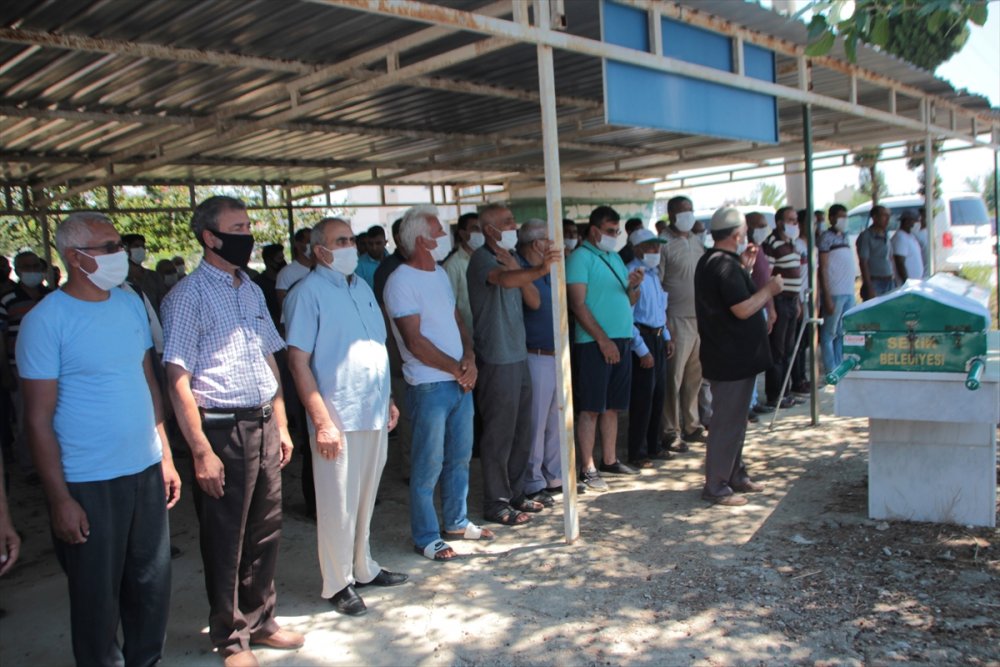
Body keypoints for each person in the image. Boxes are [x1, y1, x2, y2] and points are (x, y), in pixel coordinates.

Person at [18, 212, 181, 665]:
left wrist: (165, 455)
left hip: (144, 470)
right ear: (74, 257)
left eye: (118, 246)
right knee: (96, 599)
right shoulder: (46, 321)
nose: (121, 255)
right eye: (108, 248)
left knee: (151, 586)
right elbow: (37, 418)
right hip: (89, 480)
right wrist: (59, 499)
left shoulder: (128, 303)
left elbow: (148, 381)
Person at [162, 196, 304, 667]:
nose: (248, 233)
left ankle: (262, 620)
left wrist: (281, 421)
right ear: (211, 237)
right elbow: (177, 379)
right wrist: (200, 450)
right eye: (238, 226)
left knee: (266, 530)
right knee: (227, 537)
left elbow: (269, 357)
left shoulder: (251, 289)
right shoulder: (186, 296)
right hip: (222, 428)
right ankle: (230, 637)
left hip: (263, 421)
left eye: (249, 224)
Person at [285, 217, 407, 618]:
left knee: (365, 498)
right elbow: (298, 362)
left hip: (372, 411)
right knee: (338, 504)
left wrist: (388, 397)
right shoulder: (307, 294)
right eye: (342, 241)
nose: (351, 246)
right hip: (337, 416)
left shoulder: (363, 288)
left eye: (352, 239)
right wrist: (321, 421)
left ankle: (363, 567)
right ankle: (338, 583)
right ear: (320, 251)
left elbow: (375, 348)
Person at [383, 205, 492, 561]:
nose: (445, 237)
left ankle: (457, 521)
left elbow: (457, 319)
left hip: (458, 381)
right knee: (428, 463)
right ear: (421, 240)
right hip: (429, 385)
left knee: (459, 458)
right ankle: (426, 535)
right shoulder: (400, 280)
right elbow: (414, 342)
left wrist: (470, 359)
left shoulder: (440, 275)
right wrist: (458, 369)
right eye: (438, 231)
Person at [468, 205, 561, 524]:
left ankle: (517, 492)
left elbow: (529, 296)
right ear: (490, 229)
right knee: (499, 433)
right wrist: (540, 270)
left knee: (522, 430)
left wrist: (529, 270)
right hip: (497, 356)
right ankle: (495, 501)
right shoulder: (482, 259)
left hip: (517, 354)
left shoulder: (512, 257)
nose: (513, 225)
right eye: (507, 222)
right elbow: (503, 281)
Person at [695, 207, 781, 506]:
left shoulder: (717, 262)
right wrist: (769, 289)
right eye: (744, 232)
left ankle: (734, 474)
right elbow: (742, 308)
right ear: (736, 234)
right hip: (730, 359)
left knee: (736, 421)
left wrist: (745, 268)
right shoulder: (723, 265)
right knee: (727, 423)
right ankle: (716, 485)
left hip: (733, 357)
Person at [566, 206, 643, 491]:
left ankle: (609, 459)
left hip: (620, 340)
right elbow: (577, 304)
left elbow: (629, 302)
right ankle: (587, 466)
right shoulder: (579, 259)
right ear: (595, 230)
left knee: (612, 407)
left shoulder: (613, 258)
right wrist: (602, 339)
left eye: (617, 231)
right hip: (593, 344)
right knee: (591, 408)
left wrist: (634, 287)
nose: (616, 236)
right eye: (611, 231)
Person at [515, 220, 563, 500]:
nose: (553, 245)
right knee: (535, 423)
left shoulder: (549, 269)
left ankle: (554, 476)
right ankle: (533, 482)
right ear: (537, 244)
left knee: (556, 419)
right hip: (536, 355)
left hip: (556, 354)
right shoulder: (521, 268)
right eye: (548, 239)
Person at [658, 196, 708, 451]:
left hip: (698, 317)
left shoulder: (696, 241)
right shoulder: (663, 244)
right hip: (675, 319)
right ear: (671, 214)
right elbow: (658, 283)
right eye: (682, 211)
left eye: (690, 210)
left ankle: (692, 425)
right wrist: (665, 325)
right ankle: (670, 430)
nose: (688, 215)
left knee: (694, 377)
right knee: (673, 378)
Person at [624, 229, 674, 468]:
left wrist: (666, 335)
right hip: (641, 337)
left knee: (658, 394)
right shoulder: (631, 274)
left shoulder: (654, 274)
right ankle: (638, 451)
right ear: (637, 249)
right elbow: (628, 316)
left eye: (657, 247)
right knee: (642, 398)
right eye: (650, 247)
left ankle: (654, 445)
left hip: (657, 336)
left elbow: (659, 311)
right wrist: (641, 349)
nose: (655, 251)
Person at [1, 251, 51, 477]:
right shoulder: (7, 300)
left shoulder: (52, 296)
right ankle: (30, 466)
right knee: (26, 418)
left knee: (54, 418)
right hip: (21, 369)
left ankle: (54, 463)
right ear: (18, 271)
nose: (32, 271)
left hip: (52, 368)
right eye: (27, 267)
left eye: (35, 266)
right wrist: (6, 372)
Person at [762, 206, 804, 409]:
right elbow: (767, 276)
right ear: (779, 222)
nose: (794, 224)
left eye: (795, 221)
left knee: (788, 349)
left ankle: (786, 392)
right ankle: (775, 394)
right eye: (790, 220)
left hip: (792, 301)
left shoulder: (792, 244)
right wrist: (771, 307)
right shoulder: (772, 244)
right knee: (777, 351)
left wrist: (798, 302)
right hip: (778, 301)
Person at [817, 204, 856, 375]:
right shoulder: (826, 238)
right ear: (831, 218)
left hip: (848, 291)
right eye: (841, 217)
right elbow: (823, 267)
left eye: (846, 217)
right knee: (829, 334)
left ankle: (839, 366)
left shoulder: (845, 236)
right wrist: (827, 295)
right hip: (835, 292)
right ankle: (830, 369)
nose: (844, 221)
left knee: (842, 332)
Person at [443, 212, 483, 336]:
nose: (480, 233)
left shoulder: (487, 259)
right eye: (475, 229)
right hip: (467, 336)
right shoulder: (452, 265)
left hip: (487, 334)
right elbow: (448, 307)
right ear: (462, 233)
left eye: (481, 229)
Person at [122, 233, 166, 313]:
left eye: (143, 246)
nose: (141, 249)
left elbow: (163, 303)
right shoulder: (120, 279)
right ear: (126, 249)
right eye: (136, 246)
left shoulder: (154, 277)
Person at [857, 205, 894, 300]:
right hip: (875, 282)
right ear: (874, 217)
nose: (887, 219)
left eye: (888, 215)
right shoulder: (866, 236)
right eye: (884, 215)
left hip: (889, 280)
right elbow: (863, 262)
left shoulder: (886, 233)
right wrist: (869, 286)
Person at [275, 228, 313, 310]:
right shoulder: (286, 273)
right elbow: (284, 308)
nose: (313, 245)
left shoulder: (322, 270)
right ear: (298, 244)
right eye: (309, 242)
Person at [252, 244, 287, 330]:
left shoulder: (287, 280)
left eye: (283, 258)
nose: (283, 262)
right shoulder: (257, 284)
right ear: (268, 261)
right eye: (279, 258)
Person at [892, 209, 925, 284]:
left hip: (916, 283)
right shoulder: (900, 238)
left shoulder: (910, 236)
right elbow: (899, 262)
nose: (918, 224)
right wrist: (906, 282)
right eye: (915, 221)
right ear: (907, 221)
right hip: (907, 284)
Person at [355, 225, 388, 289]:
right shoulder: (359, 265)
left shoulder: (392, 261)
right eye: (370, 244)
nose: (374, 248)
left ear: (385, 242)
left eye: (378, 243)